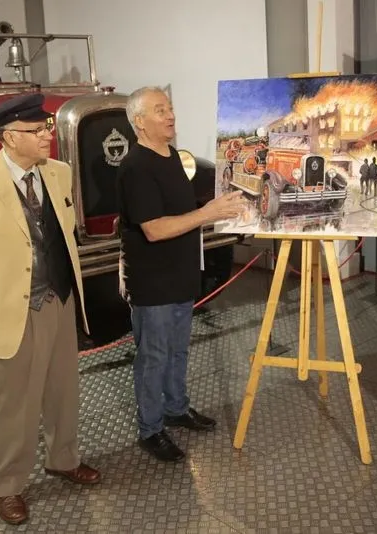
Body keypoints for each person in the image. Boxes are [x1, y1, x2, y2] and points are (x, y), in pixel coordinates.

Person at [0, 93, 101, 526]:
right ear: (10, 137)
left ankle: (63, 459)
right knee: (14, 404)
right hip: (13, 309)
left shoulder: (59, 173)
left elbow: (61, 233)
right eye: (37, 131)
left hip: (61, 299)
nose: (47, 136)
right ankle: (8, 485)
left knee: (63, 391)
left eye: (46, 128)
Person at [116, 86, 248, 462]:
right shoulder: (135, 167)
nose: (170, 115)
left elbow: (182, 210)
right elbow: (154, 229)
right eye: (160, 110)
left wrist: (221, 207)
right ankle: (151, 429)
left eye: (170, 108)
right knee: (153, 356)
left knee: (177, 352)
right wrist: (208, 214)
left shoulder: (172, 156)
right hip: (153, 282)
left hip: (181, 275)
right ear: (139, 122)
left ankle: (176, 408)